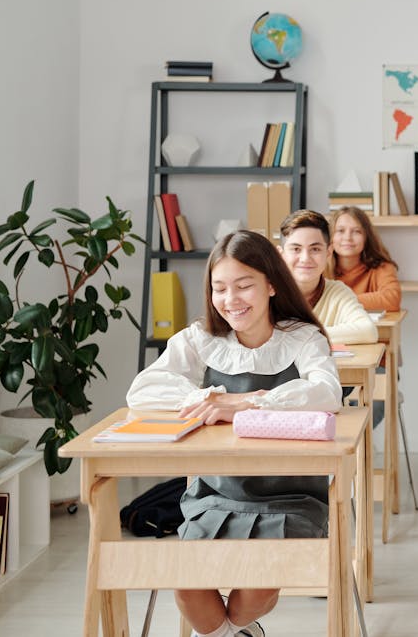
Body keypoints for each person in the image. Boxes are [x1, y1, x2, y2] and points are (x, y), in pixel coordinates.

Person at [126, 230, 346, 637]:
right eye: (220, 288)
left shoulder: (302, 339)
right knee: (190, 590)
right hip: (215, 494)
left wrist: (249, 402)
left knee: (255, 592)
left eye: (244, 286)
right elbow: (142, 390)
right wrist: (209, 396)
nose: (231, 300)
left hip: (290, 497)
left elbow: (327, 392)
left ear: (271, 284)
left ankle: (234, 631)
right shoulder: (203, 339)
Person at [278, 209, 378, 346]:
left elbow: (368, 332)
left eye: (315, 249)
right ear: (281, 254)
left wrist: (299, 334)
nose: (305, 258)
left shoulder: (337, 292)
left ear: (328, 253)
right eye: (296, 249)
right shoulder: (267, 292)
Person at [328, 206, 401, 311]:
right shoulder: (319, 268)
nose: (348, 237)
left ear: (366, 238)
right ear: (331, 237)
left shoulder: (382, 268)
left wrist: (340, 301)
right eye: (340, 231)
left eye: (356, 231)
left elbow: (392, 300)